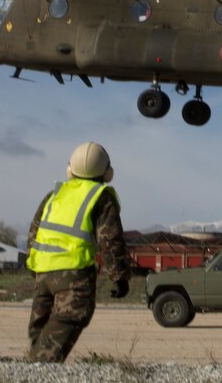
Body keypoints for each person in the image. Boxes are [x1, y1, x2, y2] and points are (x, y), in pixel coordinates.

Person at [26, 141, 131, 363]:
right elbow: (110, 240)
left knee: (40, 332)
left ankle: (31, 371)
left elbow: (34, 232)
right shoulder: (100, 196)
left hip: (43, 273)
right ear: (107, 172)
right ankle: (38, 372)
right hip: (73, 275)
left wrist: (33, 266)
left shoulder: (55, 194)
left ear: (70, 169)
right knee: (66, 323)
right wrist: (120, 276)